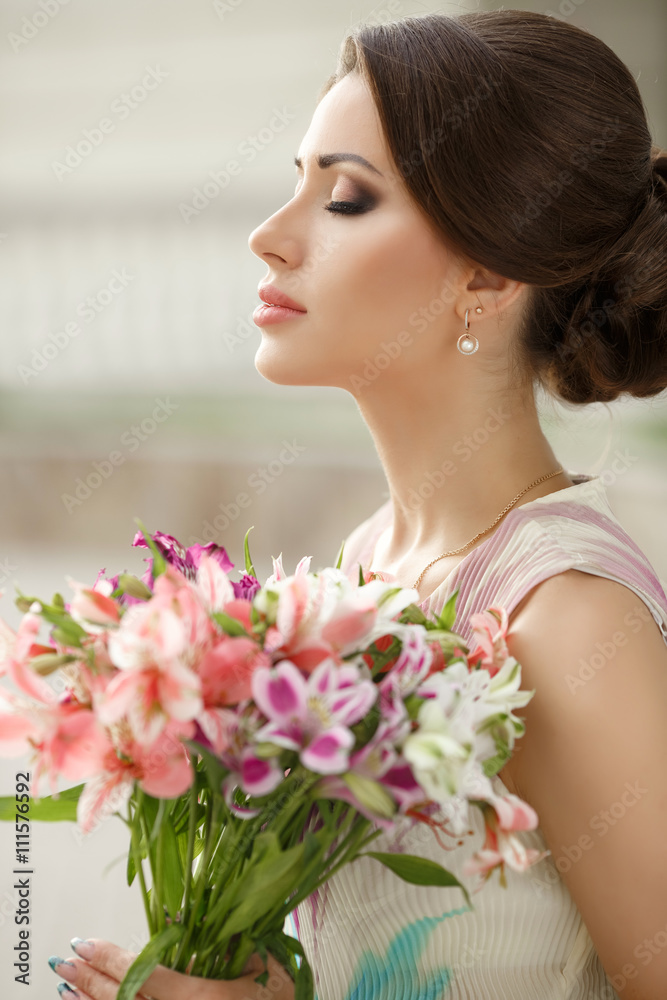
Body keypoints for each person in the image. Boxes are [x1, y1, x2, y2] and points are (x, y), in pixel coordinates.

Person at [49, 9, 667, 1000]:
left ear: (486, 272)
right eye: (294, 181)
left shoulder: (568, 621)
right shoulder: (363, 568)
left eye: (341, 197)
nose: (268, 237)